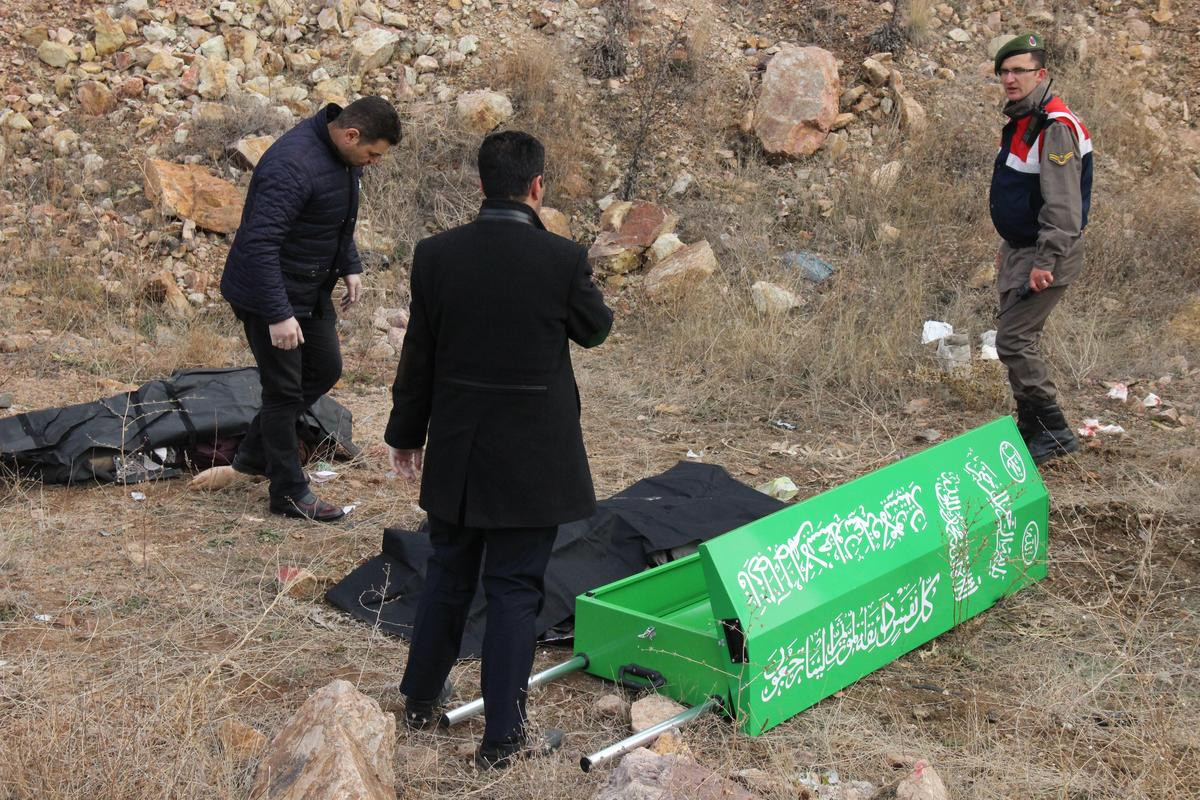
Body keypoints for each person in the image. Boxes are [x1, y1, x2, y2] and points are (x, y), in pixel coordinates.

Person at [384, 131, 613, 769]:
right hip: (532, 459)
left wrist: (406, 433)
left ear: (481, 183)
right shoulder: (562, 259)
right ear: (537, 186)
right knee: (514, 589)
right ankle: (503, 739)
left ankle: (419, 700)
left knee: (448, 573)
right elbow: (596, 330)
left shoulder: (436, 255)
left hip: (459, 450)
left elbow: (419, 352)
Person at [217, 96, 400, 520]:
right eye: (373, 154)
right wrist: (278, 315)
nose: (374, 163)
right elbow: (260, 243)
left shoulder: (342, 157)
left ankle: (252, 457)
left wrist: (350, 265)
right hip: (268, 294)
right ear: (351, 135)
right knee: (284, 391)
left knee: (324, 369)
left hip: (309, 290)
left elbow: (335, 220)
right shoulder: (291, 166)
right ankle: (288, 493)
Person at [989, 33, 1092, 465]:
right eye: (1004, 71)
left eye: (1020, 71)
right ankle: (1031, 427)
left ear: (1041, 74)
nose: (1010, 79)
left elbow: (1064, 207)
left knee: (1014, 340)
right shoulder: (1024, 119)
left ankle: (1054, 431)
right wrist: (1009, 244)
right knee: (1016, 339)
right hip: (1023, 249)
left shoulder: (1055, 126)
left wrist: (1045, 260)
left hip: (1044, 253)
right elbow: (1023, 193)